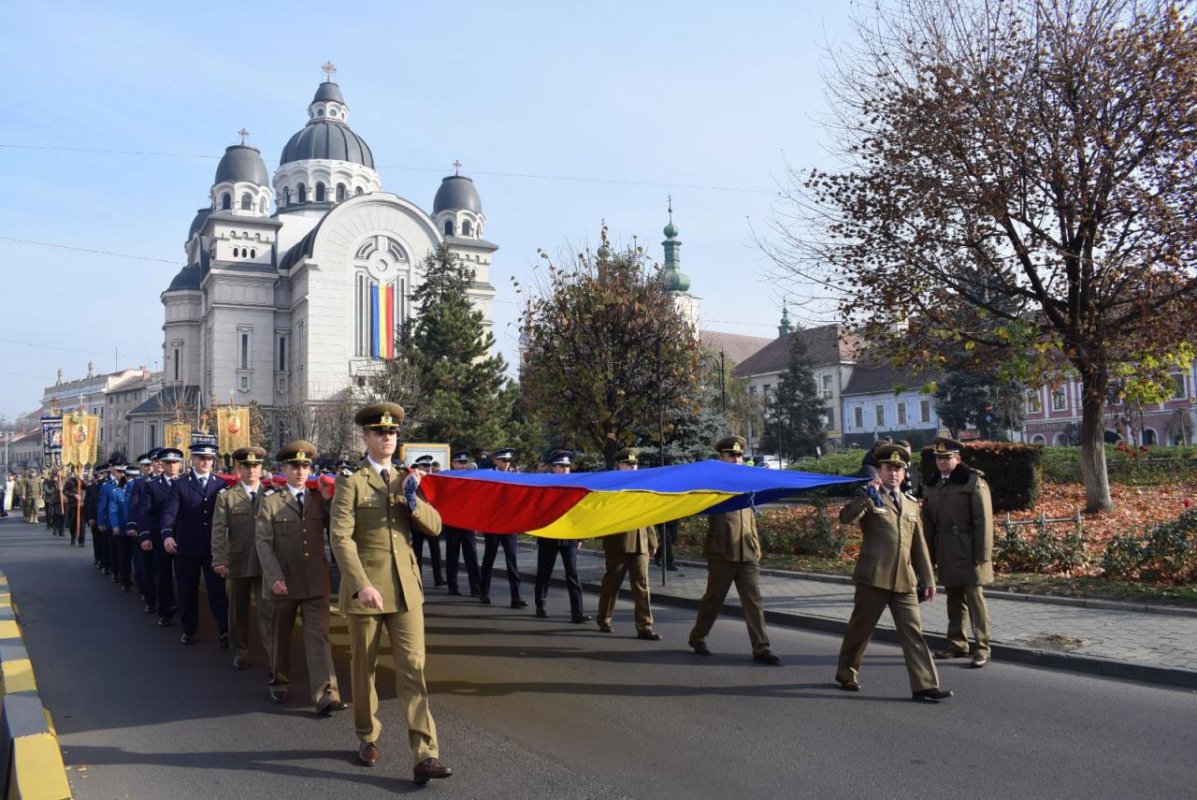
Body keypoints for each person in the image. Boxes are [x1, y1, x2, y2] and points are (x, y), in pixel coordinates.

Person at [329, 402, 452, 786]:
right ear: (365, 437)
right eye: (380, 432)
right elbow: (340, 537)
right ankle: (367, 735)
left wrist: (413, 501)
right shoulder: (351, 480)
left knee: (413, 669)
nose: (387, 437)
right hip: (367, 590)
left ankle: (425, 755)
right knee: (363, 670)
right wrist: (361, 583)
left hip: (406, 591)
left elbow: (435, 528)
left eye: (392, 432)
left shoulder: (406, 479)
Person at [835, 444, 952, 702]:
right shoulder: (869, 494)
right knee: (860, 629)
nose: (894, 474)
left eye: (899, 469)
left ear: (905, 472)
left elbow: (919, 545)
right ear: (879, 470)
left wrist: (928, 579)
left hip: (904, 580)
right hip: (873, 577)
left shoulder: (911, 503)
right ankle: (846, 672)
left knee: (914, 633)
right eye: (889, 468)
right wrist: (866, 495)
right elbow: (845, 518)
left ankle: (924, 685)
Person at [257, 441, 346, 714]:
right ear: (284, 468)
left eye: (305, 466)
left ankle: (326, 695)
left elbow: (338, 527)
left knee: (318, 638)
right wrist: (273, 577)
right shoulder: (271, 502)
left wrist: (332, 499)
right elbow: (263, 542)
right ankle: (279, 681)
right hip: (284, 581)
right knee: (280, 636)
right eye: (295, 466)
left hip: (315, 581)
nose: (300, 471)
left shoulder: (319, 498)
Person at [688, 436, 782, 665]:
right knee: (714, 599)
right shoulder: (713, 482)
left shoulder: (746, 481)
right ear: (721, 457)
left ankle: (761, 647)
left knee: (753, 601)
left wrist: (757, 544)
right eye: (731, 455)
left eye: (739, 455)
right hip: (722, 550)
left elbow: (750, 515)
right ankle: (697, 637)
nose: (736, 459)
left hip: (747, 550)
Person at [922, 437, 994, 669]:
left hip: (969, 546)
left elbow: (983, 521)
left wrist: (983, 554)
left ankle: (982, 647)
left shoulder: (973, 482)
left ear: (958, 458)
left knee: (975, 599)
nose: (942, 462)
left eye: (947, 457)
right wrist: (928, 558)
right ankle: (957, 643)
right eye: (939, 458)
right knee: (953, 599)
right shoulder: (932, 485)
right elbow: (928, 526)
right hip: (946, 548)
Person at [160, 438, 230, 647]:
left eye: (209, 458)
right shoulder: (181, 484)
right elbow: (170, 512)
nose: (206, 462)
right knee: (187, 590)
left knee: (217, 591)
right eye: (201, 458)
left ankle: (225, 629)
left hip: (212, 547)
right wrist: (167, 534)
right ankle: (189, 629)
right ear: (193, 459)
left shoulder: (221, 484)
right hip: (187, 546)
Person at [212, 446, 271, 671]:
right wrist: (219, 559)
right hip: (237, 561)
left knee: (268, 610)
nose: (251, 471)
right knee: (238, 610)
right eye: (246, 466)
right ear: (238, 468)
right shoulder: (227, 497)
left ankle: (273, 654)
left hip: (265, 562)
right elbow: (219, 530)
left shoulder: (272, 494)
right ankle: (240, 651)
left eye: (255, 466)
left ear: (261, 468)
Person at [596, 448, 660, 640]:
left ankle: (645, 626)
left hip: (640, 542)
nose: (633, 468)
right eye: (628, 464)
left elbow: (647, 514)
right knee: (612, 583)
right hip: (618, 542)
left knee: (642, 585)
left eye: (635, 465)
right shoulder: (611, 487)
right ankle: (604, 618)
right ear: (619, 465)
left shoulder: (642, 486)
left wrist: (652, 538)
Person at [533, 450, 590, 623]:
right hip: (549, 534)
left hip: (569, 536)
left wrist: (580, 537)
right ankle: (540, 604)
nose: (565, 469)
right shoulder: (545, 486)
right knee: (544, 572)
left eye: (567, 466)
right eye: (561, 466)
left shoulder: (575, 486)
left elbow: (579, 512)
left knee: (572, 574)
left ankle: (577, 612)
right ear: (553, 468)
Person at [477, 446, 528, 609]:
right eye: (503, 460)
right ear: (495, 460)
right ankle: (483, 591)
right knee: (489, 557)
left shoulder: (515, 477)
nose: (506, 463)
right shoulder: (488, 476)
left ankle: (516, 596)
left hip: (509, 524)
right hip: (492, 523)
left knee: (512, 559)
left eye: (508, 460)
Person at [139, 448, 182, 628]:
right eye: (167, 463)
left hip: (182, 536)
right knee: (163, 574)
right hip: (158, 535)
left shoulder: (186, 483)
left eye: (174, 463)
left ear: (180, 464)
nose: (171, 466)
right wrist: (145, 535)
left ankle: (182, 608)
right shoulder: (152, 485)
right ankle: (164, 611)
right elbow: (146, 512)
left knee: (183, 576)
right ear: (161, 464)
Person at [442, 451, 480, 597]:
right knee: (452, 555)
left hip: (468, 521)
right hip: (452, 522)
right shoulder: (446, 477)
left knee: (471, 554)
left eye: (465, 463)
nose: (462, 466)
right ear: (453, 463)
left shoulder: (471, 478)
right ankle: (453, 586)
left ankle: (475, 587)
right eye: (459, 463)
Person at [409, 455, 445, 588]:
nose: (427, 468)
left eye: (428, 466)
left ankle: (438, 578)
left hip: (431, 519)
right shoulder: (413, 479)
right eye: (424, 466)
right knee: (417, 550)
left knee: (435, 550)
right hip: (418, 520)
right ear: (417, 467)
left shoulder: (433, 480)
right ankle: (417, 577)